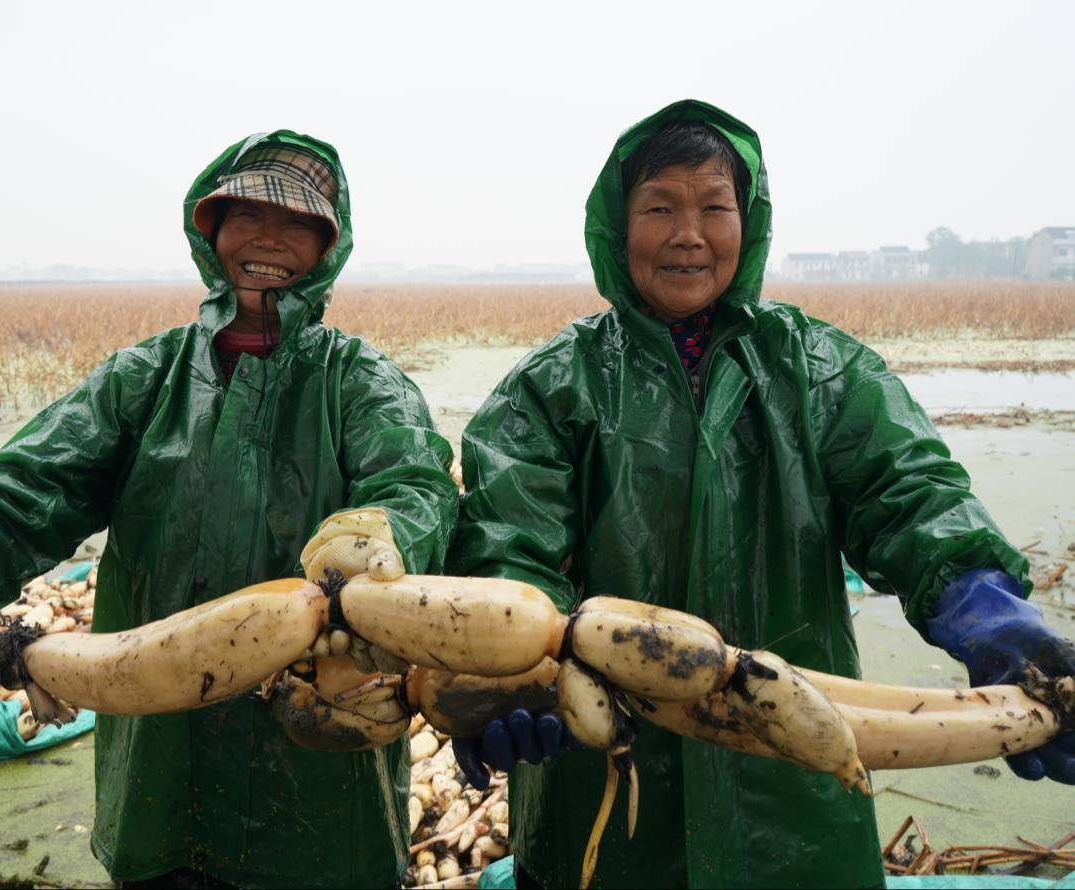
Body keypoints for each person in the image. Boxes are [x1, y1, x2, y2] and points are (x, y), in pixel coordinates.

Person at [0, 131, 458, 888]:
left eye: (297, 224)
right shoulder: (142, 379)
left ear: (328, 248)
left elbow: (414, 485)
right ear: (209, 230)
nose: (269, 240)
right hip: (158, 761)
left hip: (318, 779)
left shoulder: (359, 382)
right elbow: (17, 500)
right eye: (246, 215)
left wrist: (375, 540)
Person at [447, 100, 1074, 888]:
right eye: (659, 209)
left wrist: (990, 614)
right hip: (603, 783)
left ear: (749, 224)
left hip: (794, 789)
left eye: (714, 208)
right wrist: (509, 677)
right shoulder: (551, 388)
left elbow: (912, 497)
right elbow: (508, 549)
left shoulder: (821, 371)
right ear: (616, 228)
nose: (689, 235)